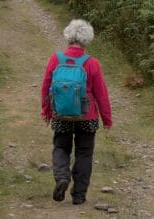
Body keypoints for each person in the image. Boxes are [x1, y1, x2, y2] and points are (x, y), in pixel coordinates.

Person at [40, 19, 113, 205]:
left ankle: (62, 177)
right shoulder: (92, 63)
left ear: (68, 37)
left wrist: (47, 111)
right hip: (86, 116)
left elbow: (47, 87)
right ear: (87, 39)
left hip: (61, 114)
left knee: (61, 147)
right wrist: (107, 119)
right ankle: (79, 195)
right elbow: (101, 94)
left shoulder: (55, 59)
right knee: (84, 153)